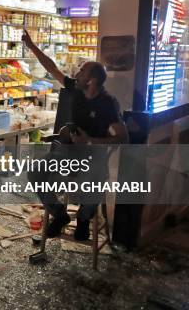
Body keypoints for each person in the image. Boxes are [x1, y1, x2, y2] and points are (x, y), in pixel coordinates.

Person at [21, 28, 128, 240]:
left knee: (96, 182)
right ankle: (59, 214)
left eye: (81, 71)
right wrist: (32, 46)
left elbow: (122, 137)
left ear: (92, 81)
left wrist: (90, 140)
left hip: (94, 156)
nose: (76, 73)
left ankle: (84, 218)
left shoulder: (108, 103)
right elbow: (52, 68)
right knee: (35, 172)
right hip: (69, 153)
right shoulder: (76, 90)